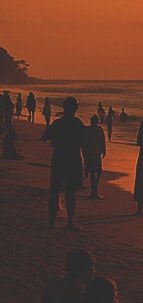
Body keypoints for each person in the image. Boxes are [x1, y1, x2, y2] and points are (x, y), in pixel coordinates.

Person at [40, 96, 85, 229]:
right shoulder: (78, 124)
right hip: (73, 159)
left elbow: (45, 136)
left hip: (58, 158)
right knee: (70, 193)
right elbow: (83, 143)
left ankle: (51, 222)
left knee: (54, 191)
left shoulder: (57, 123)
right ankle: (70, 222)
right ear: (75, 109)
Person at [82, 114, 107, 200]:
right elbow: (102, 140)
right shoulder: (99, 129)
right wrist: (104, 151)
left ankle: (94, 191)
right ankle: (94, 192)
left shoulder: (87, 129)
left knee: (93, 172)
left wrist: (84, 153)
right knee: (98, 172)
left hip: (89, 154)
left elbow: (83, 142)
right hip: (96, 155)